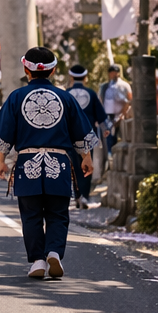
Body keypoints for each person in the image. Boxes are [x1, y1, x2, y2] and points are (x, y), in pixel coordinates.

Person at [0, 46, 98, 280]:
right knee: (58, 213)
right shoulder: (65, 97)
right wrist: (86, 157)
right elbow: (81, 130)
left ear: (26, 70)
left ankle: (37, 259)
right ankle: (54, 253)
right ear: (54, 70)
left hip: (27, 162)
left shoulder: (16, 97)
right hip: (59, 162)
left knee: (31, 214)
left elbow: (4, 132)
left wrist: (0, 162)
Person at [66, 63, 108, 208]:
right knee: (86, 165)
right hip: (86, 135)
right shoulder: (91, 93)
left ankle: (76, 194)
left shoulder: (66, 93)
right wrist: (105, 128)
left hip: (68, 135)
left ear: (71, 76)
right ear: (85, 77)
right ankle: (84, 195)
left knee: (73, 165)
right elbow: (100, 115)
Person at [101, 62, 131, 155]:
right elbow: (101, 100)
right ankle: (110, 155)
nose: (114, 74)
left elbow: (130, 100)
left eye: (116, 72)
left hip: (121, 115)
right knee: (109, 136)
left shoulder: (125, 85)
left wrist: (123, 114)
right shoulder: (104, 87)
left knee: (123, 137)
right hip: (108, 115)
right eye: (112, 72)